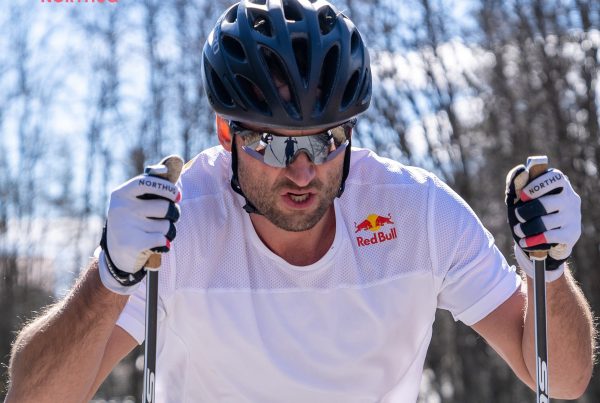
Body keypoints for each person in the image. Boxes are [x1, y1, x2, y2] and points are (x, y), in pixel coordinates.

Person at [6, 0, 595, 402]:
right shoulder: (180, 224)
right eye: (271, 143)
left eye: (326, 140)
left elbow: (561, 380)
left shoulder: (418, 213)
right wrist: (110, 277)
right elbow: (35, 396)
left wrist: (549, 268)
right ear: (226, 133)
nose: (303, 170)